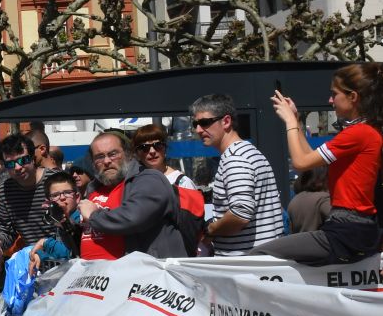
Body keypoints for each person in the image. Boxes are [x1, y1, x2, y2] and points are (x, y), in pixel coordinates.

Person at [256, 66, 383, 264]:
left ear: (353, 97)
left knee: (258, 256)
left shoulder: (358, 133)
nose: (330, 100)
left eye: (334, 94)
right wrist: (296, 121)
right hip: (355, 230)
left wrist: (289, 121)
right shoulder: (365, 132)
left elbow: (299, 162)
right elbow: (309, 160)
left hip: (346, 231)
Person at [191, 93, 284, 255]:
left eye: (204, 122)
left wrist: (211, 229)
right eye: (195, 123)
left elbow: (240, 214)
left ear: (226, 121)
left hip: (246, 265)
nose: (198, 129)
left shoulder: (235, 159)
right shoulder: (248, 152)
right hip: (258, 261)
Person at [76, 132, 186, 260]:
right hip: (98, 275)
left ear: (128, 155)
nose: (106, 161)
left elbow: (132, 217)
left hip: (144, 274)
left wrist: (93, 216)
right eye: (99, 156)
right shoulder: (93, 187)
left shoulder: (150, 179)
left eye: (113, 154)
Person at [0, 133, 60, 257]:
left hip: (62, 256)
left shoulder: (56, 181)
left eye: (23, 160)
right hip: (33, 259)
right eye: (10, 164)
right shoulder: (6, 190)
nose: (18, 167)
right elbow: (5, 230)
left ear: (33, 158)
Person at [29, 171, 82, 272]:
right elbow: (61, 249)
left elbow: (71, 252)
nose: (62, 198)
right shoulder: (58, 220)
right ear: (48, 201)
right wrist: (40, 254)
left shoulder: (80, 219)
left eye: (67, 193)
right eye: (56, 195)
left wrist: (45, 243)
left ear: (77, 197)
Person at [132, 123, 194, 188]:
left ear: (165, 148)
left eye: (158, 145)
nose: (152, 151)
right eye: (144, 147)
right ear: (137, 153)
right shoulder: (132, 183)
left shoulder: (183, 183)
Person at [287, 167, 331, 234]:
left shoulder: (295, 200)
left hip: (300, 242)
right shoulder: (323, 199)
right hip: (319, 242)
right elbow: (342, 220)